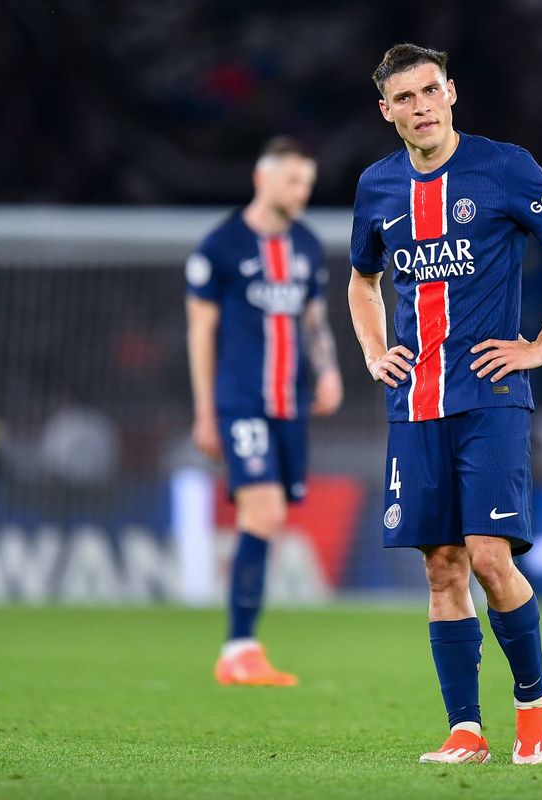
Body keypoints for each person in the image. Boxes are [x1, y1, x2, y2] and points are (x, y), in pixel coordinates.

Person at [347, 44, 542, 765]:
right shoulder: (377, 185)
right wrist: (372, 351)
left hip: (490, 395)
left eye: (431, 90)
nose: (421, 106)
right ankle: (465, 729)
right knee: (441, 567)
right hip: (415, 401)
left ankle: (533, 703)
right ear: (387, 111)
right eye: (405, 98)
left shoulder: (504, 167)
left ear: (452, 92)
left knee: (491, 558)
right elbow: (362, 281)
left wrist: (541, 346)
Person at [185, 136, 343, 686]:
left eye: (307, 183)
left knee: (272, 516)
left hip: (289, 405)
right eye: (293, 180)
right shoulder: (221, 246)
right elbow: (200, 331)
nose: (301, 192)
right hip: (241, 402)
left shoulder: (306, 245)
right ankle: (239, 648)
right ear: (263, 178)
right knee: (264, 512)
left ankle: (241, 648)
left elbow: (313, 318)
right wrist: (206, 412)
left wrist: (328, 370)